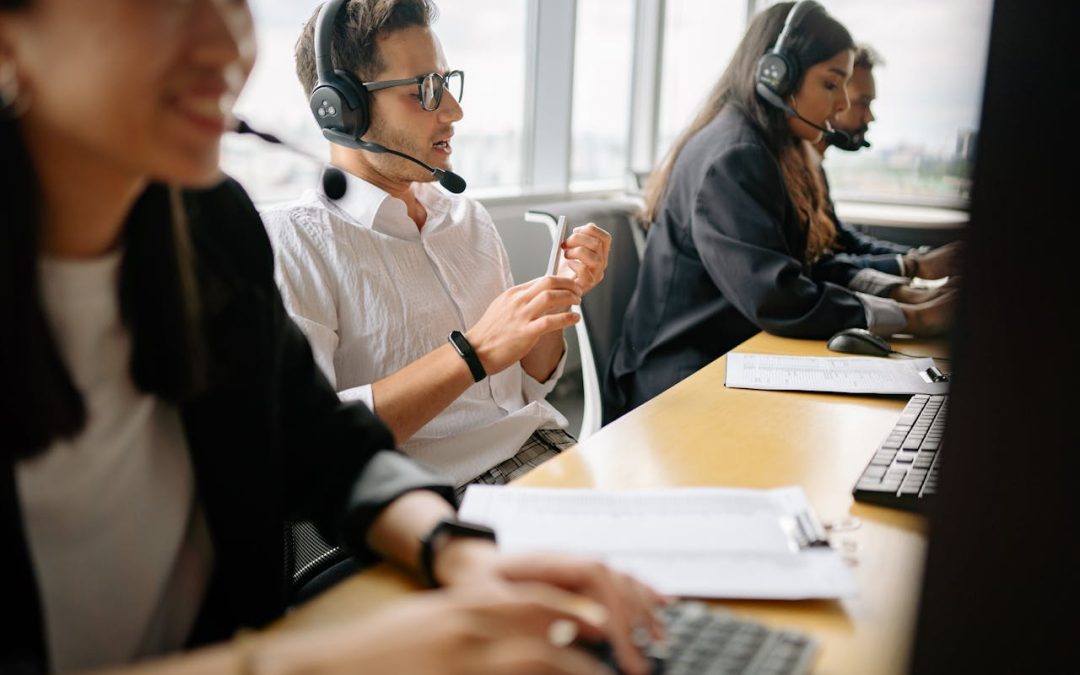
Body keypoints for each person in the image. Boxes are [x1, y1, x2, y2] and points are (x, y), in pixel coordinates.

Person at [0, 1, 662, 674]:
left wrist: (458, 551)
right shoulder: (288, 234)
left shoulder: (210, 226)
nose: (228, 43)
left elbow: (325, 441)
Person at [262, 0, 612, 497]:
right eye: (425, 90)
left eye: (447, 81)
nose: (454, 110)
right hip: (436, 501)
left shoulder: (465, 218)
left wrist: (559, 296)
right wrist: (474, 352)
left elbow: (526, 387)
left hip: (548, 452)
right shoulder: (294, 244)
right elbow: (308, 446)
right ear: (342, 110)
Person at [603, 1, 955, 421]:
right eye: (831, 84)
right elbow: (778, 295)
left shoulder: (769, 149)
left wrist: (908, 293)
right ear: (776, 75)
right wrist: (914, 319)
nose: (841, 102)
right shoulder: (735, 155)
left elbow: (812, 265)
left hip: (731, 355)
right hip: (678, 378)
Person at [812, 44, 962, 281]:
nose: (870, 116)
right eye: (863, 102)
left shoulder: (814, 166)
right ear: (833, 98)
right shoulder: (791, 169)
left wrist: (918, 258)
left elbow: (841, 240)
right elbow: (816, 268)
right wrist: (912, 266)